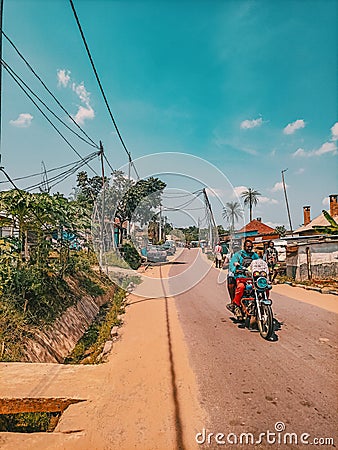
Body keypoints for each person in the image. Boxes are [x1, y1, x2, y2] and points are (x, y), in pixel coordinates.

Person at [226, 239, 259, 319]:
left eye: (251, 246)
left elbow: (259, 262)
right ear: (244, 246)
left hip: (252, 278)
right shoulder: (238, 255)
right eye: (248, 246)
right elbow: (232, 264)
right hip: (241, 277)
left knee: (263, 287)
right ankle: (236, 305)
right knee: (241, 287)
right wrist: (235, 269)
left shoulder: (254, 255)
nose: (249, 248)